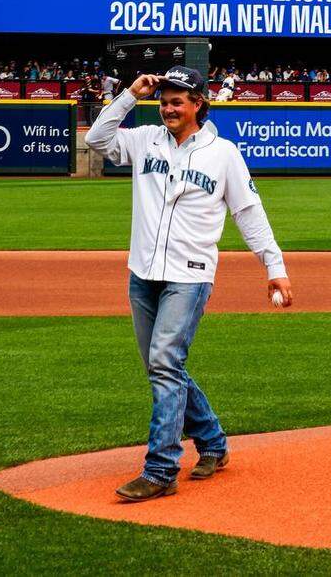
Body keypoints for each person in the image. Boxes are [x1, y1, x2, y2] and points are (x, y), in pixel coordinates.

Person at [85, 66, 293, 503]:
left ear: (198, 103)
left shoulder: (223, 154)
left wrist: (274, 265)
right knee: (163, 367)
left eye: (177, 101)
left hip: (190, 274)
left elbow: (249, 213)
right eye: (163, 101)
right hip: (142, 273)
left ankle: (161, 469)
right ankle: (214, 444)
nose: (167, 108)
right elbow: (96, 141)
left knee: (163, 361)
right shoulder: (144, 139)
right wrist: (128, 96)